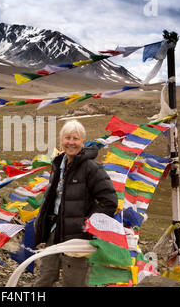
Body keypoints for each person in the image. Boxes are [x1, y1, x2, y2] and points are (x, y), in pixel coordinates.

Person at [34, 120, 118, 287]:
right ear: (61, 141)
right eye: (67, 138)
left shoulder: (91, 168)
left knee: (74, 282)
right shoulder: (58, 164)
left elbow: (110, 201)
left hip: (78, 236)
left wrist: (87, 224)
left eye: (76, 138)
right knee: (44, 278)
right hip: (54, 231)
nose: (71, 142)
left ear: (83, 142)